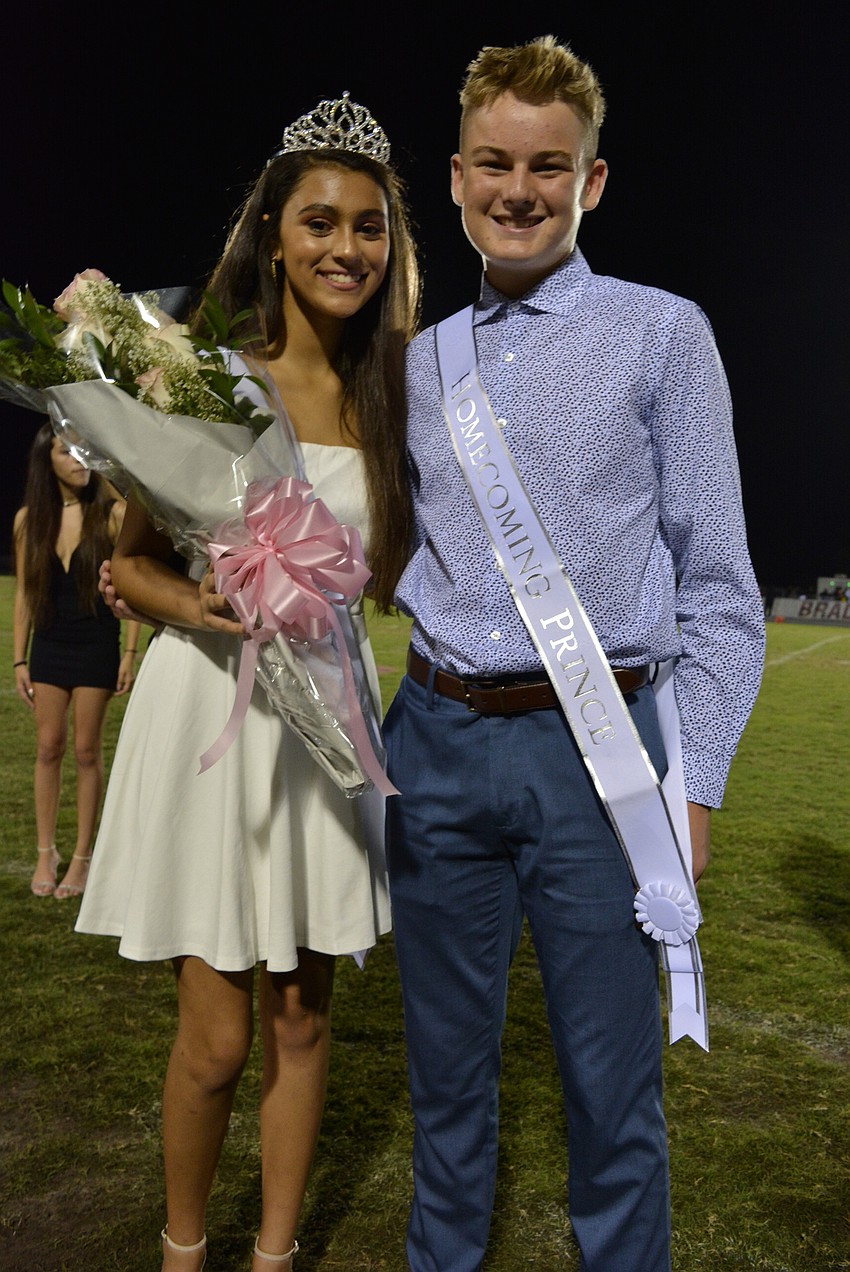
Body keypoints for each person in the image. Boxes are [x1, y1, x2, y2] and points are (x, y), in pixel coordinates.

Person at [384, 36, 765, 1272]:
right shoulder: (414, 360)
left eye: (549, 167)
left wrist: (692, 781)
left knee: (614, 1105)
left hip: (602, 761)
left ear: (591, 182)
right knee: (442, 1093)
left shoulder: (663, 334)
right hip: (432, 746)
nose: (519, 189)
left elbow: (719, 590)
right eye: (493, 162)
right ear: (452, 176)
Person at [75, 96, 420, 1271]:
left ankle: (273, 1259)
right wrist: (197, 601)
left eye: (368, 228)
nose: (345, 248)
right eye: (320, 222)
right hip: (211, 712)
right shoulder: (204, 379)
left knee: (304, 1020)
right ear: (272, 233)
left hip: (323, 721)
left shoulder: (394, 397)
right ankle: (183, 1251)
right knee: (216, 1043)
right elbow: (123, 561)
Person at [12, 424, 139, 899]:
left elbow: (130, 584)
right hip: (49, 643)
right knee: (48, 747)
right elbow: (25, 594)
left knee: (86, 750)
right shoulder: (30, 520)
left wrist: (129, 651)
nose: (78, 461)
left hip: (95, 643)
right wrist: (18, 661)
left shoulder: (111, 514)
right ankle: (48, 852)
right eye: (67, 453)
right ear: (47, 460)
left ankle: (83, 857)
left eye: (85, 453)